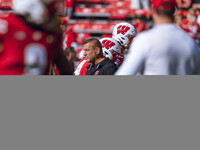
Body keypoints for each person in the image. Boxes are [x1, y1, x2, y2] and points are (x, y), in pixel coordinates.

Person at [115, 0, 200, 75]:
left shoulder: (144, 40)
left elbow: (124, 75)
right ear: (175, 11)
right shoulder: (191, 43)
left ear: (152, 10)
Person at [0, 0, 73, 75]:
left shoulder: (52, 35)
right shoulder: (6, 26)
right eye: (49, 8)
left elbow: (64, 67)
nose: (54, 11)